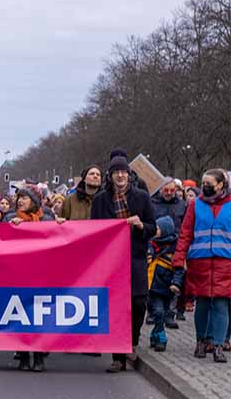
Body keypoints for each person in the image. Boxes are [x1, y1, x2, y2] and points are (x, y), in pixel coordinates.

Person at [92, 155, 156, 373]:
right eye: (116, 172)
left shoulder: (142, 197)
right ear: (110, 176)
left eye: (124, 172)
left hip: (136, 256)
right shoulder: (101, 200)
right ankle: (117, 356)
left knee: (138, 302)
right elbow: (94, 230)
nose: (120, 175)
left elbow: (152, 227)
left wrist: (140, 225)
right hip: (111, 260)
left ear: (129, 175)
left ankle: (133, 341)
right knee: (116, 306)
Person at [172, 168, 231, 363]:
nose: (204, 187)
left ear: (221, 185)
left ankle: (218, 345)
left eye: (209, 184)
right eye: (203, 183)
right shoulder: (195, 205)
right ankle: (200, 341)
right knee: (203, 304)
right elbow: (185, 234)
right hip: (200, 262)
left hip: (225, 264)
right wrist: (179, 259)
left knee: (221, 304)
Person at [6, 188, 56, 372]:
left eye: (25, 198)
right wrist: (12, 227)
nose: (20, 201)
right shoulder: (10, 218)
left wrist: (61, 224)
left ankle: (39, 355)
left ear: (34, 201)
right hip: (18, 275)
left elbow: (55, 239)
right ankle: (24, 355)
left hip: (41, 275)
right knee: (20, 315)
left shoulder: (46, 219)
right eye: (18, 198)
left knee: (39, 316)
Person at [147, 216, 183, 352]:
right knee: (158, 312)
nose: (155, 231)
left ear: (166, 231)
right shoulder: (150, 244)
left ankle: (155, 335)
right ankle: (161, 338)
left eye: (158, 229)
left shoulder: (173, 249)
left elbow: (179, 270)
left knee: (162, 313)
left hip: (167, 288)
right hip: (152, 288)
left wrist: (176, 283)